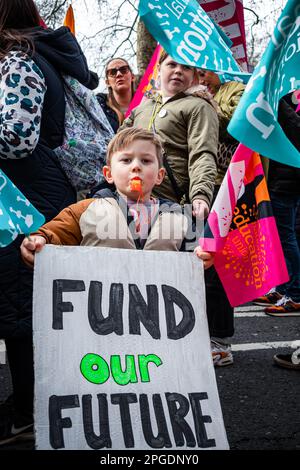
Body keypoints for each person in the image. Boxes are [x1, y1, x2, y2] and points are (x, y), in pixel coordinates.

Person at [0, 0, 98, 444]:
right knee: (24, 305)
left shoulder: (17, 58)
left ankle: (25, 412)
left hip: (26, 200)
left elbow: (16, 138)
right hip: (36, 194)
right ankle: (27, 403)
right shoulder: (34, 53)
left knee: (19, 306)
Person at [20, 127, 214, 267]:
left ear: (159, 176)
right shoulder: (85, 209)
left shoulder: (181, 217)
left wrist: (204, 256)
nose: (136, 166)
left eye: (146, 160)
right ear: (109, 174)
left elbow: (199, 250)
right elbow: (57, 233)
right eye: (126, 160)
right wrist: (40, 240)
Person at [120, 50, 219, 221]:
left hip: (168, 204)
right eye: (172, 64)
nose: (178, 70)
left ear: (194, 75)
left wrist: (201, 195)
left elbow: (202, 154)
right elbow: (117, 147)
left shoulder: (200, 107)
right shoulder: (142, 108)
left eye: (186, 67)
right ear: (159, 68)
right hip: (127, 198)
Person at [198, 69, 245, 366]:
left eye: (204, 69)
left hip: (225, 186)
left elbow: (242, 127)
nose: (200, 74)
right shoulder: (187, 89)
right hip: (195, 186)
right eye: (196, 69)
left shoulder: (235, 90)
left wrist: (210, 107)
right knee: (196, 263)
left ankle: (220, 338)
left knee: (217, 266)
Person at [253, 92, 300, 316]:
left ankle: (296, 294)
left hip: (286, 181)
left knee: (287, 237)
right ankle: (282, 289)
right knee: (281, 238)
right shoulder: (284, 98)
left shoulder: (283, 103)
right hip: (278, 179)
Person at [97, 58, 135, 133]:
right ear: (107, 82)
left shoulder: (146, 101)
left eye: (123, 70)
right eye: (112, 72)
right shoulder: (98, 106)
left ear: (132, 77)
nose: (119, 74)